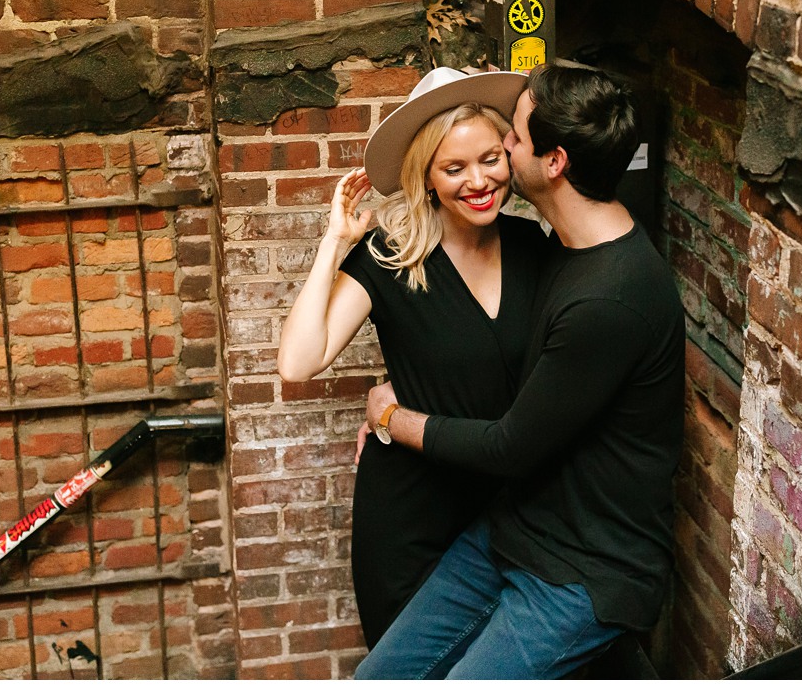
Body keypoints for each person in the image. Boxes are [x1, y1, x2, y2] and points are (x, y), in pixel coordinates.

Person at [355, 61, 686, 682]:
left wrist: (393, 416)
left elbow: (510, 445)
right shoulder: (560, 249)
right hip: (515, 532)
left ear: (554, 162)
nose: (502, 146)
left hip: (586, 571)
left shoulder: (610, 298)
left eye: (513, 137)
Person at [276, 65, 556, 650]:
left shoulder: (535, 247)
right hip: (410, 524)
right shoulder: (393, 258)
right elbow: (299, 362)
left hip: (512, 516)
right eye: (454, 168)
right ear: (426, 178)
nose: (478, 181)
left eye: (489, 159)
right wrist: (336, 241)